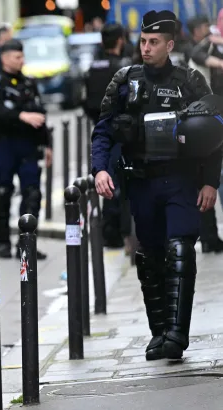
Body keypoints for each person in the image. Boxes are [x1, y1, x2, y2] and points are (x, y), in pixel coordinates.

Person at [91, 10, 221, 361]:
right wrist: (100, 170)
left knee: (180, 249)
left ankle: (177, 335)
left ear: (169, 45)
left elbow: (214, 134)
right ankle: (159, 332)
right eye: (143, 42)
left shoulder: (190, 81)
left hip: (179, 181)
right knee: (149, 257)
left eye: (153, 43)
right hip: (141, 184)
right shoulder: (123, 80)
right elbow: (102, 130)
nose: (146, 48)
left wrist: (210, 183)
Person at [0, 39, 52, 259]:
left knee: (32, 194)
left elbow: (40, 113)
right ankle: (3, 242)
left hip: (29, 147)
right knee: (3, 193)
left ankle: (27, 244)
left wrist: (47, 144)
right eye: (17, 57)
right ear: (5, 58)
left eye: (22, 56)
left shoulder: (29, 83)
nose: (21, 60)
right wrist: (20, 116)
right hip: (5, 145)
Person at [84, 23, 133, 250]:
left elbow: (86, 101)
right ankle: (118, 232)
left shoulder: (93, 67)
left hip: (100, 130)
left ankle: (111, 232)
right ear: (120, 40)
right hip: (120, 133)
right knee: (120, 185)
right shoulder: (123, 68)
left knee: (108, 182)